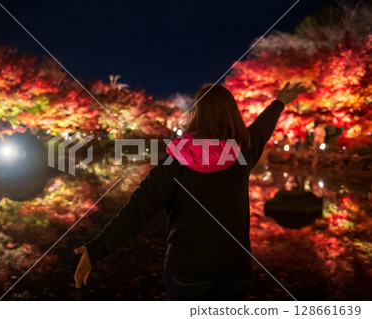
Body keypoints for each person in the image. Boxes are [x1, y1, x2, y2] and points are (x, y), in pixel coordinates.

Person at [74, 82, 304, 300]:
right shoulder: (244, 151)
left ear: (198, 114)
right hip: (236, 270)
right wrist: (279, 102)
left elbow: (140, 206)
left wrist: (98, 248)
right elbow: (262, 127)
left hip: (188, 271)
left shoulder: (178, 158)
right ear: (233, 113)